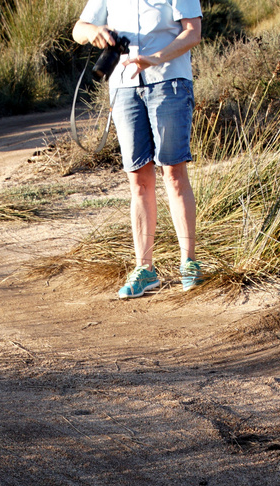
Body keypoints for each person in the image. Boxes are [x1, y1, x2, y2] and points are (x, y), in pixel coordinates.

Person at [72, 0, 203, 299]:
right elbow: (78, 29)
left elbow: (193, 33)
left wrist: (155, 58)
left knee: (173, 171)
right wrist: (94, 31)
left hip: (168, 82)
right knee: (139, 180)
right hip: (123, 88)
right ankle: (145, 270)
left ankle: (189, 263)